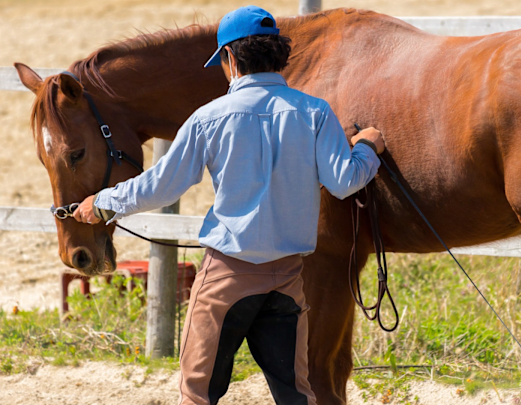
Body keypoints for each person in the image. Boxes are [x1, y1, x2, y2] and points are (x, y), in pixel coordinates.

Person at [72, 5, 385, 405]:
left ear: (231, 58)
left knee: (198, 394)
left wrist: (102, 203)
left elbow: (161, 187)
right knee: (296, 395)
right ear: (279, 55)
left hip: (227, 279)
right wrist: (367, 149)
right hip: (289, 279)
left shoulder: (209, 117)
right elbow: (345, 182)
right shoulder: (315, 113)